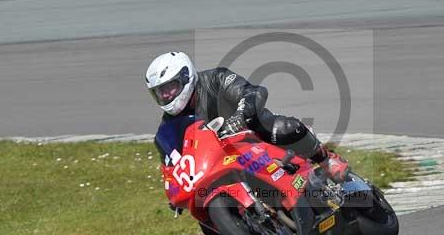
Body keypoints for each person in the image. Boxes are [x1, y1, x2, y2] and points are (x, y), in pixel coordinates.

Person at [145, 51, 349, 183]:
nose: (166, 96)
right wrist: (174, 188)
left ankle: (325, 160)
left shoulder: (215, 79)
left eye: (169, 88)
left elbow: (254, 92)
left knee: (283, 128)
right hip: (223, 162)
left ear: (185, 77)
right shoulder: (168, 128)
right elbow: (172, 167)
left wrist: (240, 115)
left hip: (254, 133)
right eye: (160, 92)